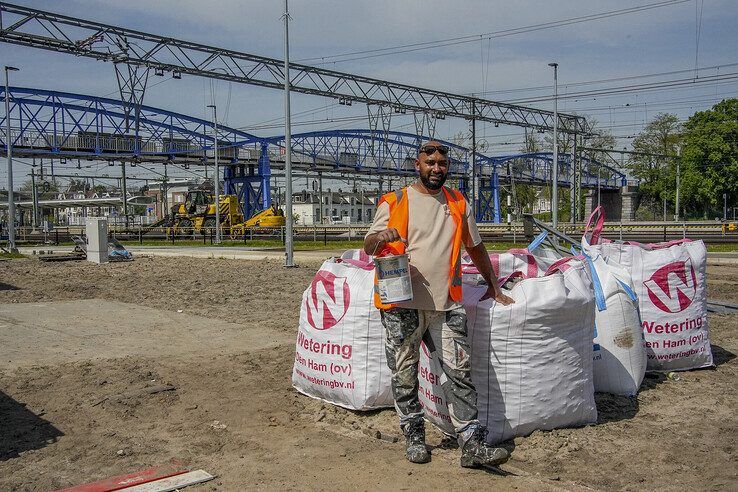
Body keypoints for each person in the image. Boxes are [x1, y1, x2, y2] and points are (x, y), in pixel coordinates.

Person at [364, 141, 515, 469]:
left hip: (446, 305)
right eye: (429, 162)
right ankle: (414, 435)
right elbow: (369, 246)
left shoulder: (458, 202)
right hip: (401, 305)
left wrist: (493, 286)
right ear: (417, 165)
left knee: (459, 372)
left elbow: (475, 247)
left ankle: (471, 444)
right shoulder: (396, 201)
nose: (436, 168)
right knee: (405, 373)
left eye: (442, 163)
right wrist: (383, 237)